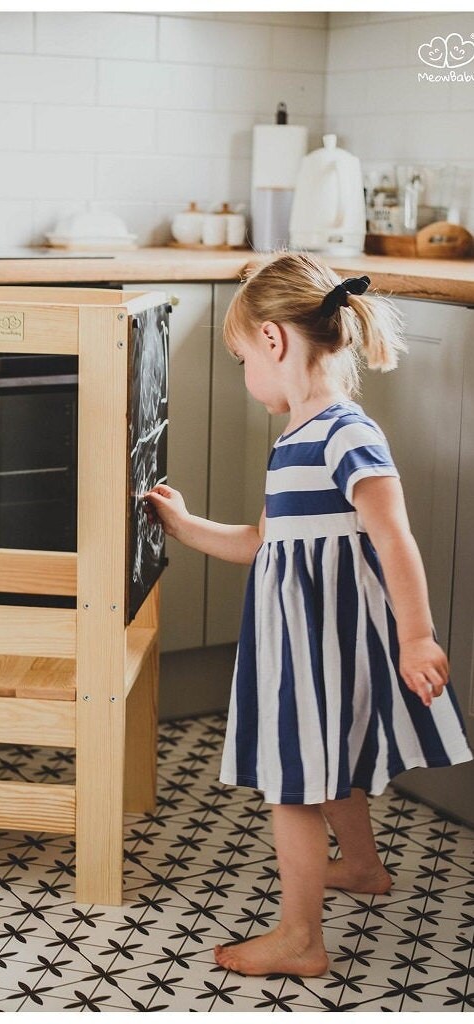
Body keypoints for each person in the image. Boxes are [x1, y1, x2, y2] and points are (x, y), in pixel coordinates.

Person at [143, 251, 473, 979]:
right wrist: (184, 524)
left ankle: (300, 939)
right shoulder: (294, 440)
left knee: (291, 784)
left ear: (272, 340)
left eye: (238, 358)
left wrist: (416, 636)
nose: (243, 375)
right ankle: (360, 868)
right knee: (325, 769)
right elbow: (260, 543)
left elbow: (393, 535)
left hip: (323, 647)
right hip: (303, 645)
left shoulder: (344, 435)